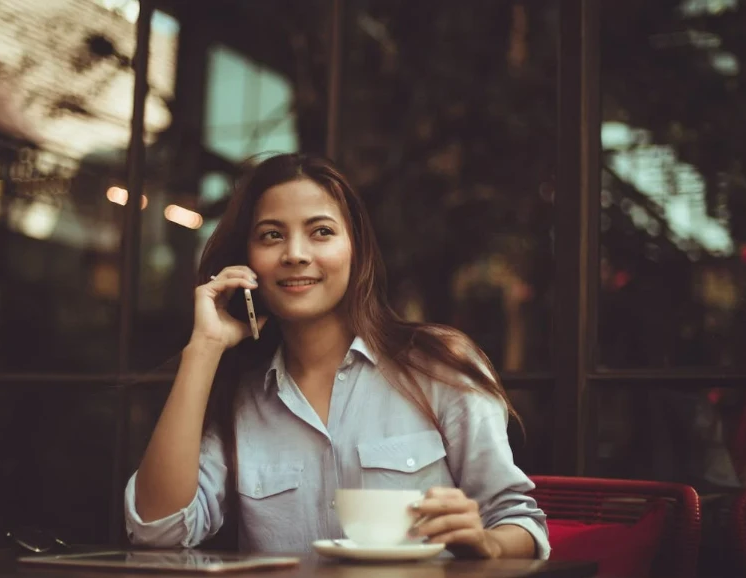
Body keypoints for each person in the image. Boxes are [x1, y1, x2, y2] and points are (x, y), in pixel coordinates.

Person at [124, 153, 550, 559]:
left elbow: (520, 523)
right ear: (248, 261)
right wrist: (203, 349)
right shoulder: (240, 397)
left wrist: (487, 543)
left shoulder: (437, 365)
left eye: (321, 231)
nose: (294, 253)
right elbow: (156, 530)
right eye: (272, 234)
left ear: (356, 249)